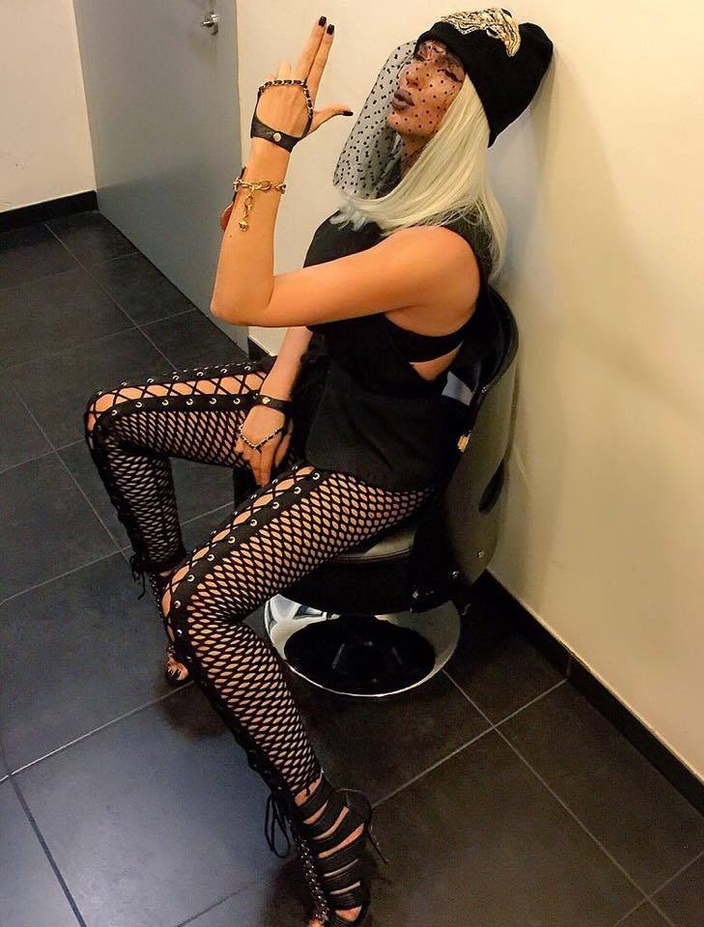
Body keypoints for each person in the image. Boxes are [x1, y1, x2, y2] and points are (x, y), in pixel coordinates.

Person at [84, 9, 552, 926]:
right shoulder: (395, 183)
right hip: (320, 395)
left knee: (205, 605)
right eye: (421, 56)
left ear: (473, 115)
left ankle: (328, 821)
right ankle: (172, 584)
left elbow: (240, 293)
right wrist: (272, 391)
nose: (414, 76)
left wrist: (271, 141)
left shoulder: (440, 244)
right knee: (114, 421)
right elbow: (309, 302)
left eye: (448, 74)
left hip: (374, 458)